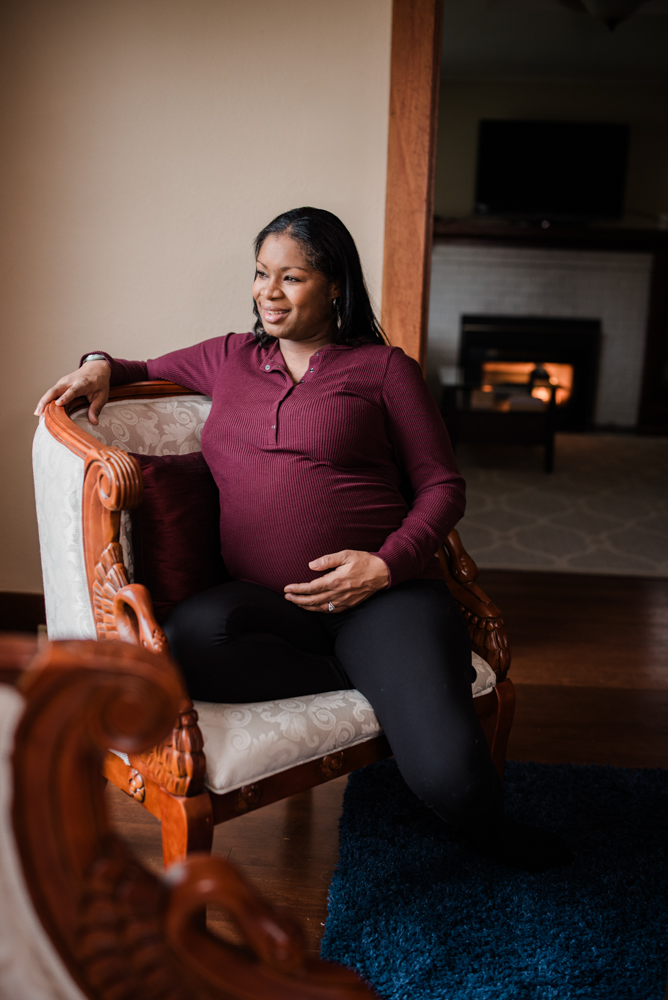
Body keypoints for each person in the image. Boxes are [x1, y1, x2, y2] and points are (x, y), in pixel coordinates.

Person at [35, 207, 570, 872]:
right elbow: (132, 364)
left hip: (385, 597)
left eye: (291, 278)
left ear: (336, 286)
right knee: (189, 644)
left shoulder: (383, 371)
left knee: (449, 781)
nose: (269, 291)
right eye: (262, 275)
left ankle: (490, 823)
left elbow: (443, 486)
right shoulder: (230, 357)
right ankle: (374, 680)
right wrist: (95, 365)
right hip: (271, 604)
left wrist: (385, 565)